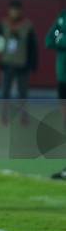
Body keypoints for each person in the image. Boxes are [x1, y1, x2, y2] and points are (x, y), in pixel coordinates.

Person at [0, 0, 38, 124]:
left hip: (22, 65)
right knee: (5, 92)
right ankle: (4, 116)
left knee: (23, 93)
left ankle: (23, 117)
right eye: (12, 9)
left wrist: (33, 64)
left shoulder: (27, 26)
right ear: (9, 11)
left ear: (20, 11)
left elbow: (33, 46)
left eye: (17, 10)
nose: (14, 12)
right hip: (6, 63)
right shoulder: (3, 24)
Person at [45, 10, 66, 180]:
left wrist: (62, 40)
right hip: (63, 78)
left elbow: (57, 39)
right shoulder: (62, 17)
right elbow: (49, 40)